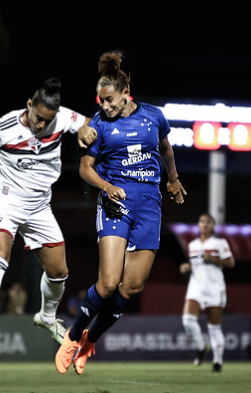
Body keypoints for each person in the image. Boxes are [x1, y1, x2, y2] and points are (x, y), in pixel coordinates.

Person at [55, 51, 186, 375]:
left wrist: (173, 180)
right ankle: (71, 337)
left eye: (110, 100)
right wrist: (105, 186)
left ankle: (90, 340)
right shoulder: (98, 125)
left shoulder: (154, 117)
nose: (105, 105)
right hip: (116, 204)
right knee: (108, 283)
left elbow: (166, 149)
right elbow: (85, 168)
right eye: (101, 100)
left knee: (132, 288)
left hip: (149, 206)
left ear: (126, 93)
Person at [0, 77, 97, 350]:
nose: (42, 125)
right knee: (0, 255)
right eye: (38, 118)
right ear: (29, 105)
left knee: (59, 271)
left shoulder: (62, 117)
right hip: (4, 201)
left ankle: (47, 317)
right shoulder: (3, 127)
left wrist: (85, 130)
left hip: (39, 206)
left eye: (47, 121)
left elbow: (88, 122)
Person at [179, 213, 235, 373]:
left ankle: (217, 361)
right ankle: (201, 347)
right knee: (187, 320)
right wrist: (187, 267)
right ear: (198, 225)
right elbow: (196, 264)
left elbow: (231, 262)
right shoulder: (193, 245)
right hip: (196, 287)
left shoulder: (219, 243)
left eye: (208, 222)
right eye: (202, 221)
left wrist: (213, 259)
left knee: (214, 328)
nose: (205, 224)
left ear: (213, 225)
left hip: (214, 289)